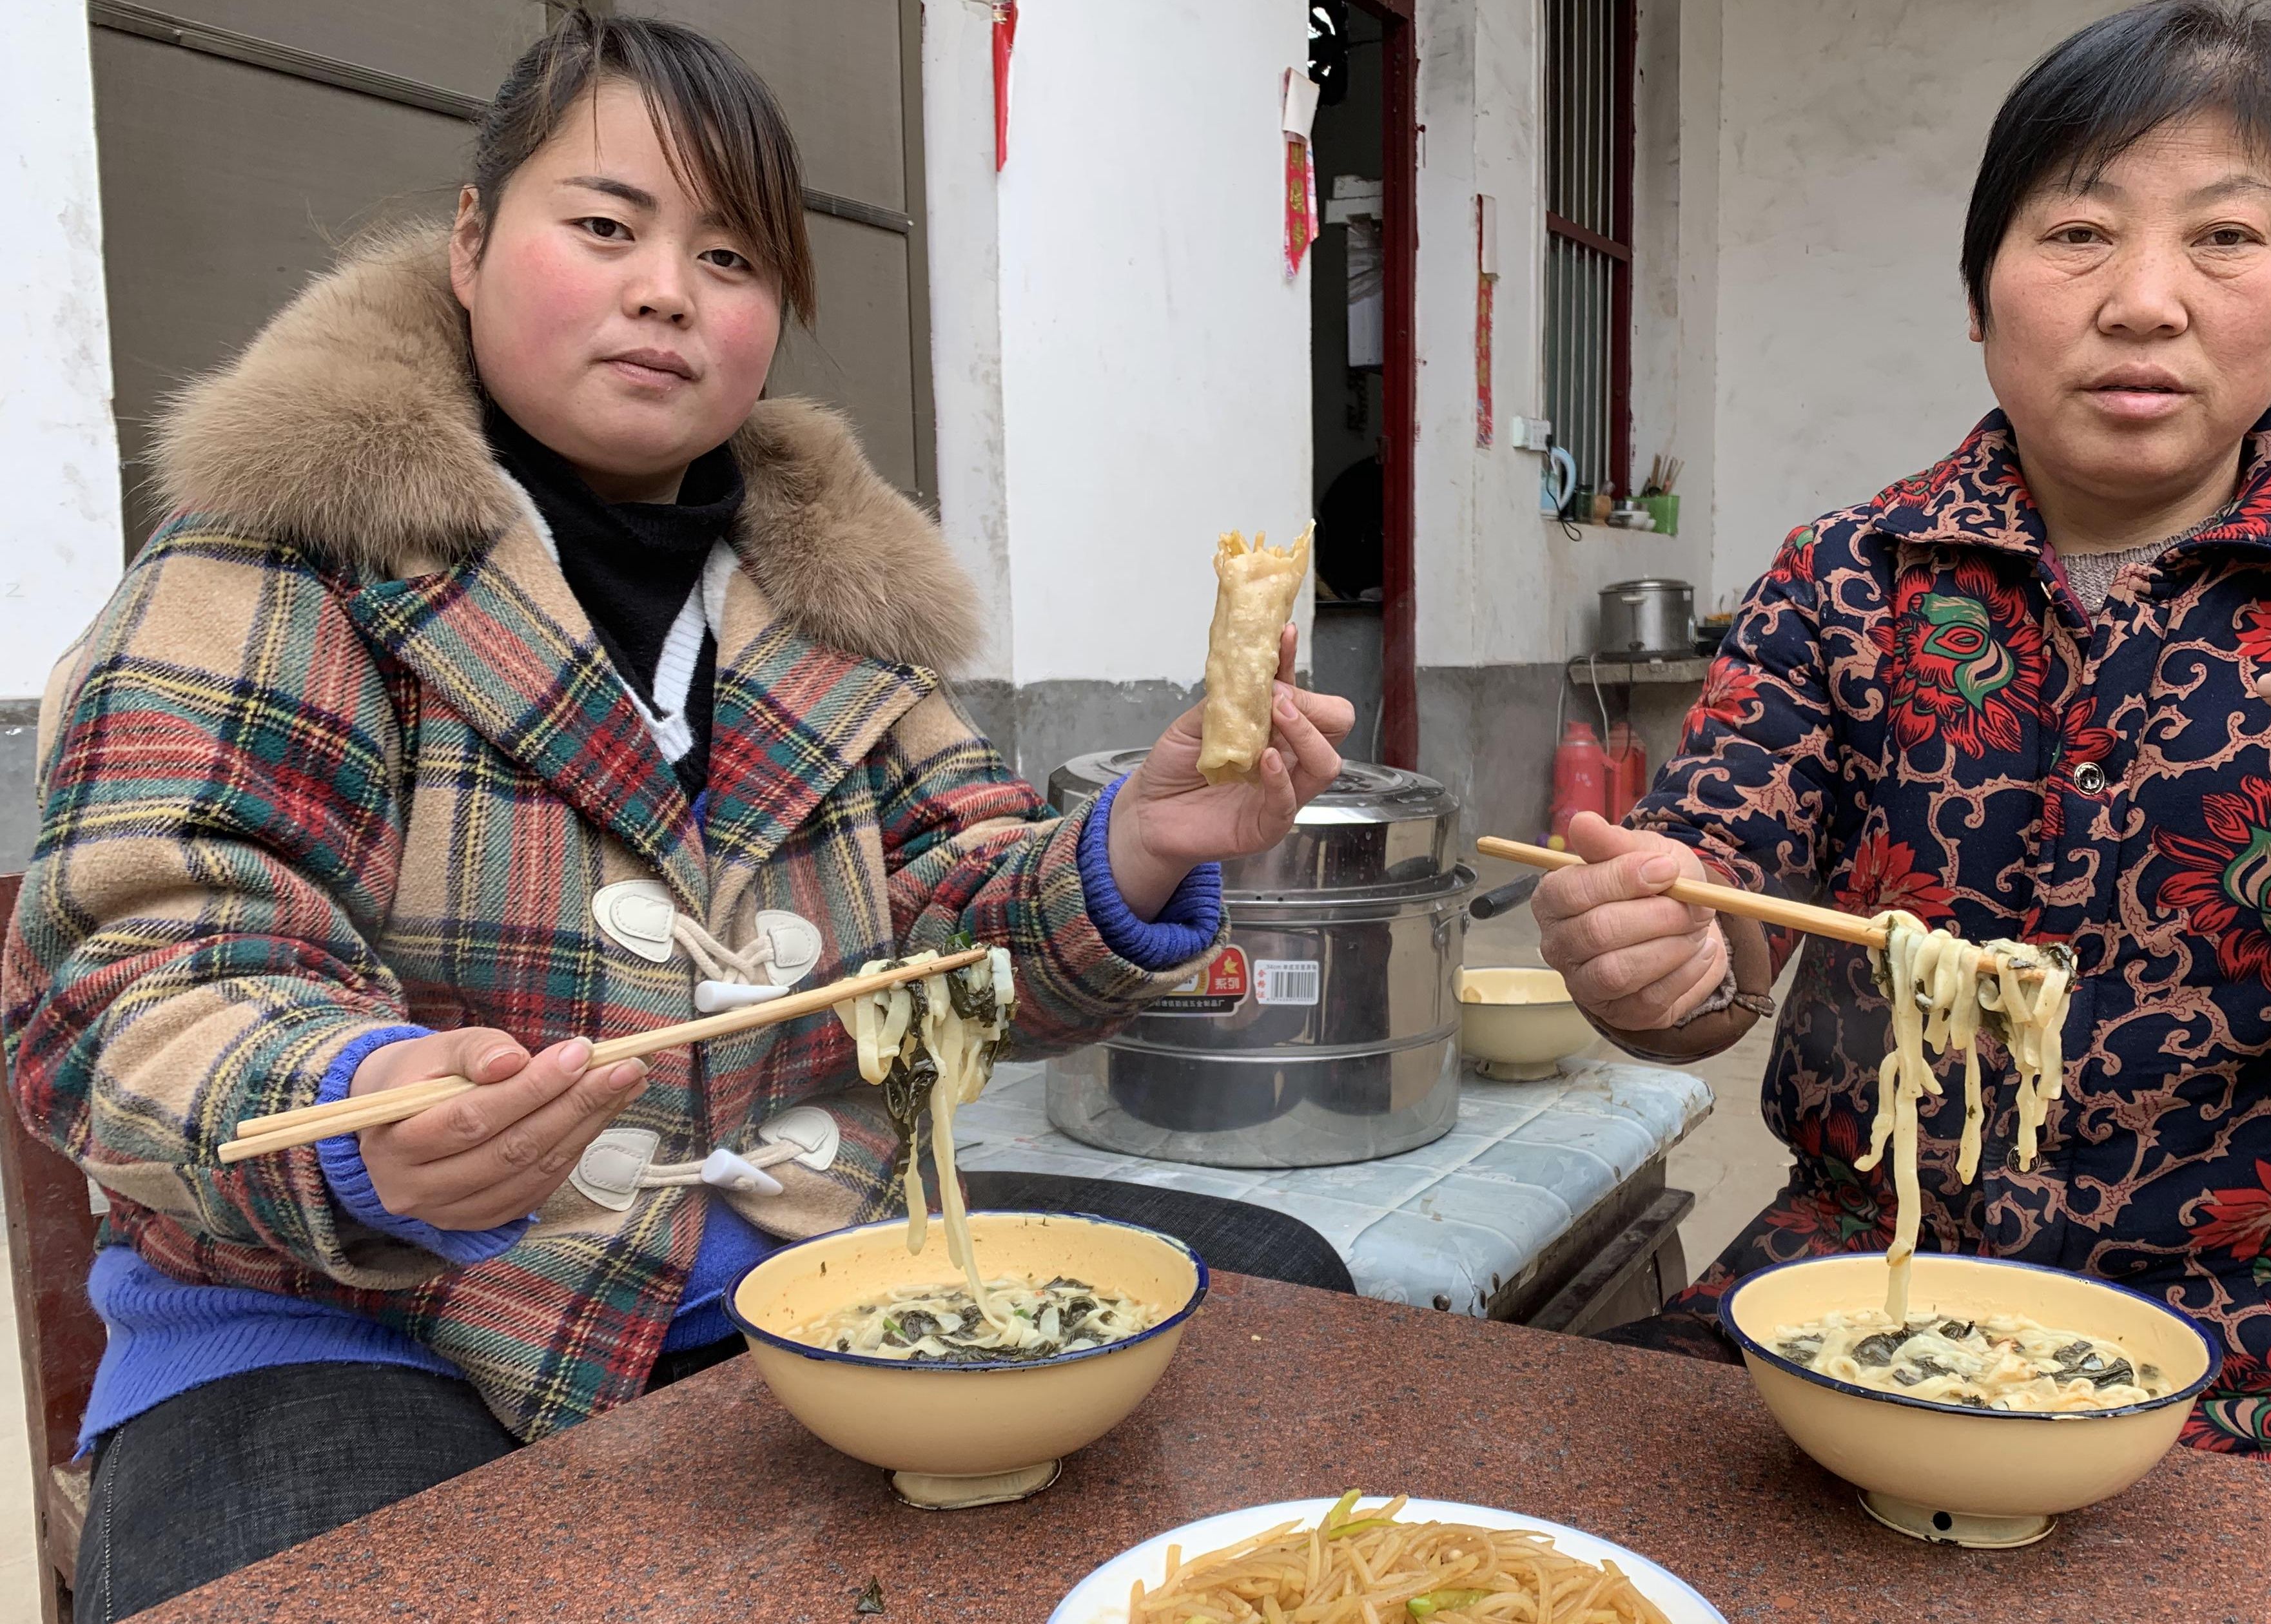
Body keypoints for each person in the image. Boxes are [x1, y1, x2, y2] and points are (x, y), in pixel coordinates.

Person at [1, 15, 1353, 1619]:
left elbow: (952, 942)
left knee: (1289, 1300)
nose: (667, 290)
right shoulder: (272, 562)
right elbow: (133, 978)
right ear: (469, 239)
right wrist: (366, 1106)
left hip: (800, 1277)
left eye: (730, 255)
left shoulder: (842, 610)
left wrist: (1137, 842)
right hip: (359, 1315)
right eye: (604, 226)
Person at [1534, 0, 2271, 1519]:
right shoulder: (1851, 574)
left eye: (2228, 238)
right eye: (2077, 232)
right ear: (1980, 294)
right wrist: (1663, 962)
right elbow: (1715, 926)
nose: (2147, 300)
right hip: (1871, 1303)